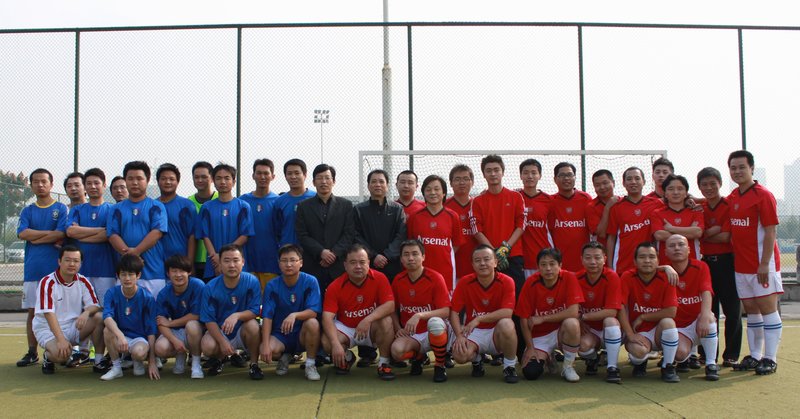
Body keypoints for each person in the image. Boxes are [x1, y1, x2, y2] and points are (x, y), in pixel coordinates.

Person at [727, 150, 783, 375]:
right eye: (733, 168)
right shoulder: (733, 196)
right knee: (751, 311)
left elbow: (771, 231)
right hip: (741, 265)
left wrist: (764, 263)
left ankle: (770, 358)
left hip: (762, 265)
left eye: (742, 167)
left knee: (768, 309)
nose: (737, 171)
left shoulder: (763, 195)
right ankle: (755, 355)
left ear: (752, 168)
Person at [351, 169, 407, 367]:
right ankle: (367, 353)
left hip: (392, 266)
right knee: (366, 305)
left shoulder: (397, 210)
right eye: (373, 181)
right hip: (368, 265)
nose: (377, 185)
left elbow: (401, 236)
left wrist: (387, 255)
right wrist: (373, 256)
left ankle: (393, 352)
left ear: (387, 185)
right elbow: (356, 235)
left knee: (392, 307)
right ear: (368, 185)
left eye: (381, 181)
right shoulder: (359, 210)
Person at [16, 168, 69, 367]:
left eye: (44, 181)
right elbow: (23, 233)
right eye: (36, 182)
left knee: (59, 311)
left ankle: (60, 349)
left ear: (51, 184)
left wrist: (36, 236)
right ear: (31, 185)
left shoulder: (61, 208)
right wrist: (48, 234)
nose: (40, 185)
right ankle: (32, 352)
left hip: (55, 271)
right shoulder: (27, 210)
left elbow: (61, 233)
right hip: (33, 270)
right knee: (32, 311)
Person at [321, 244, 396, 380]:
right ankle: (348, 358)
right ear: (345, 265)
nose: (358, 266)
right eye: (353, 262)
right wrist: (335, 344)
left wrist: (368, 319)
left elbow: (390, 305)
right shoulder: (335, 286)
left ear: (368, 263)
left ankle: (384, 363)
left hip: (370, 327)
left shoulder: (380, 278)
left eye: (362, 262)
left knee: (386, 321)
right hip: (347, 328)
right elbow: (327, 317)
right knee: (327, 341)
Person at [449, 245, 519, 384]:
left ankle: (509, 366)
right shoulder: (465, 282)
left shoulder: (507, 281)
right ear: (472, 265)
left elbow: (507, 312)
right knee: (459, 355)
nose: (482, 263)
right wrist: (459, 336)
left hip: (496, 331)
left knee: (507, 323)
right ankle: (477, 360)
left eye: (487, 259)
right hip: (474, 331)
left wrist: (479, 318)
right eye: (477, 260)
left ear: (495, 262)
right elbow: (454, 312)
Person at [515, 248, 584, 383]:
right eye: (543, 264)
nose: (548, 269)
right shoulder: (530, 283)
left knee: (572, 323)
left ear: (560, 265)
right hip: (540, 336)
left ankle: (568, 366)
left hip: (561, 331)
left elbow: (573, 312)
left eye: (552, 264)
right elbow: (523, 319)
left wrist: (543, 318)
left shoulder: (569, 277)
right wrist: (530, 348)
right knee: (531, 373)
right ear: (538, 267)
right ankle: (548, 357)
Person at [33, 245, 104, 375]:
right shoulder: (47, 282)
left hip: (73, 327)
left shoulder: (83, 281)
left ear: (80, 264)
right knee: (62, 355)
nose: (72, 264)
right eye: (67, 260)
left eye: (76, 261)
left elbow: (95, 305)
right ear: (59, 261)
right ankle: (48, 357)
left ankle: (99, 361)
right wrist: (61, 339)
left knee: (99, 317)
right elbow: (49, 314)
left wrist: (86, 312)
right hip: (48, 329)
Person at [697, 167, 741, 367]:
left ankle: (731, 355)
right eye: (704, 184)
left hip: (727, 262)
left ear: (720, 183)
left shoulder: (729, 205)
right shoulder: (699, 207)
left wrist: (705, 233)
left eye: (712, 183)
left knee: (732, 311)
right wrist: (711, 231)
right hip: (706, 263)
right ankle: (707, 355)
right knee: (707, 309)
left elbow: (726, 236)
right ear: (699, 187)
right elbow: (698, 233)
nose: (709, 188)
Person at [389, 240, 451, 382]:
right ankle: (419, 357)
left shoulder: (435, 278)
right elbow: (392, 308)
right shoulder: (398, 280)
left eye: (415, 254)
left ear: (423, 257)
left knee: (435, 323)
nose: (410, 258)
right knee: (396, 352)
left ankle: (440, 365)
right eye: (406, 254)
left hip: (433, 331)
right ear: (401, 259)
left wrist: (420, 315)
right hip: (411, 334)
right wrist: (398, 328)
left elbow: (446, 311)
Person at [618, 242, 680, 382]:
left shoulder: (667, 277)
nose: (647, 260)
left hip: (658, 331)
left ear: (658, 261)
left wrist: (644, 316)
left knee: (669, 323)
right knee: (638, 353)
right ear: (635, 261)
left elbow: (671, 312)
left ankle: (668, 366)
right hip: (639, 331)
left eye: (651, 257)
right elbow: (620, 307)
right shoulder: (627, 276)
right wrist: (630, 334)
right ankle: (640, 363)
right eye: (642, 257)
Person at [259, 244, 322, 381]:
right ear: (279, 263)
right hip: (280, 334)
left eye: (293, 260)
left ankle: (310, 364)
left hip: (301, 333)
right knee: (268, 349)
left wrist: (295, 315)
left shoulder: (310, 281)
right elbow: (267, 316)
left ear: (301, 263)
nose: (288, 264)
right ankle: (285, 356)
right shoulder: (272, 285)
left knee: (313, 323)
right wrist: (265, 344)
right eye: (284, 260)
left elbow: (313, 312)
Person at [199, 244, 263, 379]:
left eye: (235, 260)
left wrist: (237, 315)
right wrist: (222, 341)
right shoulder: (210, 287)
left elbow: (255, 310)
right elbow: (208, 319)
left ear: (243, 262)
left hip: (242, 330)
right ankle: (220, 359)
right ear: (220, 263)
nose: (232, 265)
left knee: (253, 325)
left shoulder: (252, 281)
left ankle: (254, 364)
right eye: (227, 261)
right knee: (207, 346)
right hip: (220, 331)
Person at [107, 161, 169, 297]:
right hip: (126, 273)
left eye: (139, 178)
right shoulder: (116, 209)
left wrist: (136, 252)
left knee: (153, 309)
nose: (135, 182)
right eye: (130, 179)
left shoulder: (157, 206)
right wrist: (130, 256)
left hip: (153, 273)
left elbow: (157, 232)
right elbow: (112, 235)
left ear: (147, 180)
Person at [664, 234, 719, 381]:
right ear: (665, 252)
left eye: (681, 245)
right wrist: (664, 267)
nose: (677, 248)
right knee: (680, 354)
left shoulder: (701, 266)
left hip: (696, 323)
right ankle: (686, 356)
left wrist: (705, 316)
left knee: (709, 317)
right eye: (672, 246)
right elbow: (642, 269)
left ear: (689, 249)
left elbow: (706, 292)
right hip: (678, 328)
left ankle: (711, 364)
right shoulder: (663, 271)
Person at [469, 155, 525, 292]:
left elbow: (521, 225)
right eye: (488, 171)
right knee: (492, 295)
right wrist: (494, 253)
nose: (493, 174)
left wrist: (505, 249)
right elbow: (476, 230)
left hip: (513, 256)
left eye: (496, 170)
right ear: (483, 174)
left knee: (517, 294)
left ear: (503, 172)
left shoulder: (516, 197)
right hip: (488, 258)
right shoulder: (477, 201)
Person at [295, 164, 355, 291]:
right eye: (319, 178)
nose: (323, 182)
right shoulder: (303, 206)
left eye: (327, 178)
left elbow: (349, 234)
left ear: (334, 181)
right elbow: (302, 235)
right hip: (313, 264)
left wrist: (334, 254)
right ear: (313, 182)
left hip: (338, 265)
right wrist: (321, 252)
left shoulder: (346, 205)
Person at [100, 254, 160, 381]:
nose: (127, 278)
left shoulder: (147, 297)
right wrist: (121, 336)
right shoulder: (111, 293)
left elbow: (151, 330)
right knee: (107, 330)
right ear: (118, 276)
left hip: (139, 339)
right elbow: (107, 317)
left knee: (139, 353)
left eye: (131, 274)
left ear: (138, 275)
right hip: (120, 337)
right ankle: (116, 368)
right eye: (123, 274)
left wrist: (152, 362)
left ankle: (136, 360)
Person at [66, 168, 116, 307]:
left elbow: (109, 235)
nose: (93, 186)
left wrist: (81, 234)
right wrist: (101, 230)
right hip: (82, 269)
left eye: (96, 183)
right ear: (85, 186)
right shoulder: (77, 210)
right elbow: (70, 232)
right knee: (82, 310)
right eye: (89, 183)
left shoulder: (113, 209)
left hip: (106, 270)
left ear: (104, 185)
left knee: (106, 309)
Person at [575, 241, 623, 383]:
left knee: (610, 320)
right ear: (581, 259)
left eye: (597, 257)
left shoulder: (612, 276)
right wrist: (578, 320)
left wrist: (583, 317)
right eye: (588, 257)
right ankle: (593, 359)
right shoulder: (576, 278)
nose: (593, 262)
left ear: (604, 259)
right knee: (582, 346)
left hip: (610, 328)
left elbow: (612, 311)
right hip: (589, 331)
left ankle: (612, 367)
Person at [197, 163, 254, 279]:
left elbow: (245, 235)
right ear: (213, 181)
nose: (222, 182)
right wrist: (216, 258)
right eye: (218, 178)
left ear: (234, 181)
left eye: (227, 178)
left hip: (235, 263)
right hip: (214, 264)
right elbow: (204, 235)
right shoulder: (206, 207)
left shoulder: (243, 206)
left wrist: (224, 256)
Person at [406, 175, 462, 291]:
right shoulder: (414, 217)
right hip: (420, 272)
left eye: (437, 189)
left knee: (444, 302)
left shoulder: (453, 216)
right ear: (423, 193)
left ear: (444, 193)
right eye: (428, 189)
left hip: (445, 272)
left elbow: (456, 245)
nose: (432, 193)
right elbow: (410, 244)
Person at [154, 255, 206, 379]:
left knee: (192, 325)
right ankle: (180, 354)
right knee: (160, 348)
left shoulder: (198, 285)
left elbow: (196, 315)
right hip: (178, 331)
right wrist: (174, 340)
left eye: (182, 271)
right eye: (174, 271)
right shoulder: (163, 293)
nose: (178, 275)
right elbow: (160, 322)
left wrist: (170, 323)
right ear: (168, 273)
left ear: (189, 272)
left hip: (198, 330)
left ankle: (196, 363)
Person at [606, 167, 664, 273]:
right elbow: (611, 238)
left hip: (649, 264)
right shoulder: (616, 207)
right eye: (629, 179)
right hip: (623, 265)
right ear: (623, 183)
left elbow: (677, 201)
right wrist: (610, 267)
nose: (633, 182)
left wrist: (690, 201)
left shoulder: (656, 204)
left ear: (644, 181)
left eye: (637, 178)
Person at [240, 159, 281, 289]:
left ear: (273, 176)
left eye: (266, 173)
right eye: (259, 173)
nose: (262, 177)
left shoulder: (278, 202)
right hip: (246, 263)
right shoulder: (242, 201)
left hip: (271, 264)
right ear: (253, 175)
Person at [548, 162, 592, 272]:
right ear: (555, 179)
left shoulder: (586, 199)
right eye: (562, 175)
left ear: (575, 177)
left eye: (569, 175)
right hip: (559, 264)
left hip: (583, 263)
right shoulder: (550, 201)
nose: (566, 178)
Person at [650, 174, 704, 262]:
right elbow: (659, 235)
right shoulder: (657, 213)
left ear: (686, 193)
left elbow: (697, 232)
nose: (675, 192)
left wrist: (671, 228)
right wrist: (689, 232)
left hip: (692, 263)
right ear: (665, 194)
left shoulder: (695, 211)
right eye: (671, 189)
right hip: (665, 264)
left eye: (680, 189)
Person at [517, 158, 552, 278]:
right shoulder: (514, 197)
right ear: (521, 176)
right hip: (519, 260)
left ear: (540, 176)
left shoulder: (549, 200)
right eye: (526, 173)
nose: (530, 176)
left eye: (534, 173)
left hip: (543, 259)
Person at [156, 163, 197, 260]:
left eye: (171, 179)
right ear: (158, 181)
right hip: (156, 261)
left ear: (177, 182)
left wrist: (189, 262)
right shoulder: (152, 206)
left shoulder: (187, 205)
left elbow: (192, 236)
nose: (167, 182)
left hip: (180, 261)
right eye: (163, 179)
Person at [444, 164, 478, 281]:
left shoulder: (479, 204)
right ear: (451, 183)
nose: (462, 183)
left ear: (472, 182)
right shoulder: (443, 206)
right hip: (452, 268)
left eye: (466, 179)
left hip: (477, 269)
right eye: (457, 179)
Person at [273, 158, 316, 247]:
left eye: (297, 173)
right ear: (285, 176)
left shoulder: (315, 197)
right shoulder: (279, 201)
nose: (293, 177)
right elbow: (277, 229)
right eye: (289, 173)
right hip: (287, 249)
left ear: (305, 175)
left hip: (311, 250)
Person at [188, 161, 218, 278]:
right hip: (195, 260)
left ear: (212, 179)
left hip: (216, 259)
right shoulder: (188, 202)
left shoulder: (220, 199)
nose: (200, 180)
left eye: (204, 177)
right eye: (196, 177)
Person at [586, 169, 620, 242]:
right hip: (601, 248)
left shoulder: (622, 202)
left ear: (613, 183)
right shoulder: (591, 206)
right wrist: (607, 208)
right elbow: (601, 234)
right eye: (597, 185)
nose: (602, 187)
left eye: (605, 183)